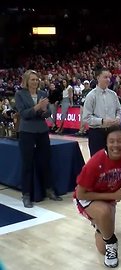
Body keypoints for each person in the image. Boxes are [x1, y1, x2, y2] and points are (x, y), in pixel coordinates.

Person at [73, 125, 121, 268]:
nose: (116, 145)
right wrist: (113, 195)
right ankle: (111, 242)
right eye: (112, 141)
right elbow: (80, 193)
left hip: (108, 197)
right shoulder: (95, 162)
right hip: (87, 198)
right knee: (104, 213)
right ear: (106, 143)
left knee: (101, 245)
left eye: (120, 141)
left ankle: (99, 227)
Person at [14, 70, 62, 208]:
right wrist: (37, 107)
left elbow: (47, 114)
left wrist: (44, 110)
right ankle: (26, 195)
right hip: (27, 132)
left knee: (45, 161)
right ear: (27, 81)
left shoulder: (42, 94)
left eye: (37, 79)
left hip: (42, 131)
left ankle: (49, 190)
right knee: (27, 164)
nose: (35, 82)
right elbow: (24, 114)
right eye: (32, 79)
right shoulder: (20, 94)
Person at [83, 67, 121, 157]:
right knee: (97, 162)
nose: (108, 80)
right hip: (97, 133)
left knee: (113, 160)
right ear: (98, 78)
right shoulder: (91, 96)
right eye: (105, 77)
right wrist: (102, 121)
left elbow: (119, 110)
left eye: (109, 77)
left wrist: (118, 118)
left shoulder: (113, 94)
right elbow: (86, 118)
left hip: (112, 132)